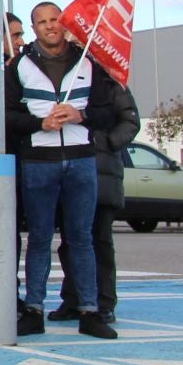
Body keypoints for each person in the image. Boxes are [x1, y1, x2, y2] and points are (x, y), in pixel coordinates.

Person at [5, 1, 120, 340]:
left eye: (54, 19)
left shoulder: (88, 61)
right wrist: (39, 122)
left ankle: (89, 311)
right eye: (41, 22)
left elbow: (108, 111)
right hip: (39, 162)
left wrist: (80, 115)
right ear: (34, 27)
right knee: (39, 239)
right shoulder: (19, 66)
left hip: (83, 160)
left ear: (63, 22)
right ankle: (34, 309)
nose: (49, 26)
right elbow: (6, 117)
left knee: (81, 239)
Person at [51, 77, 141, 324]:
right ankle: (73, 298)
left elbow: (131, 121)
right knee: (71, 241)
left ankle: (103, 301)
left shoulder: (111, 83)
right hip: (66, 168)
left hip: (101, 172)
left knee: (99, 240)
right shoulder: (63, 78)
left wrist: (107, 142)